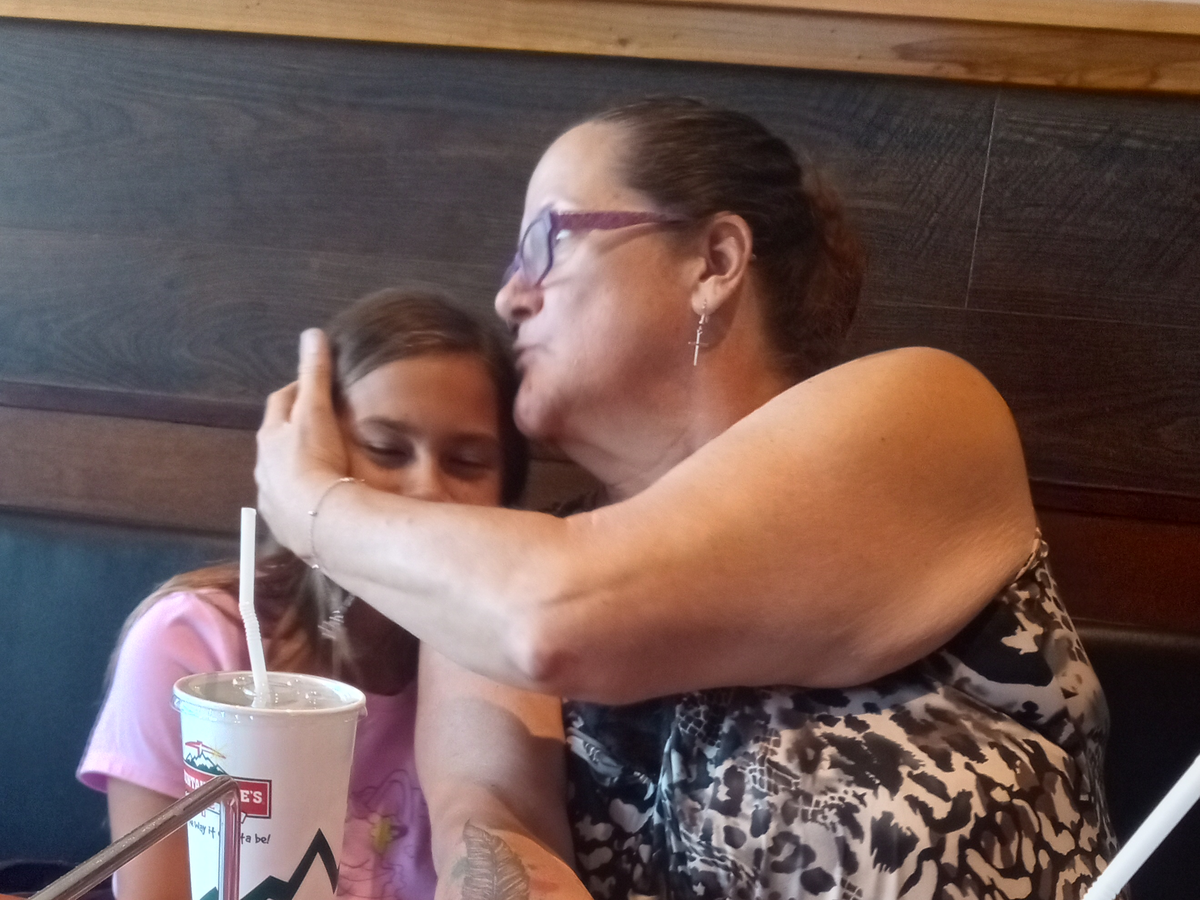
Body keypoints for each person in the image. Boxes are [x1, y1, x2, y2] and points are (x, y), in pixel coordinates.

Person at [255, 98, 1122, 900]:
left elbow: (555, 618)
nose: (509, 295)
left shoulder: (925, 412)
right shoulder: (490, 572)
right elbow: (492, 824)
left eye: (546, 241)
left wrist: (309, 502)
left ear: (714, 262)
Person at [78, 288, 529, 900]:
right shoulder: (193, 643)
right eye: (386, 450)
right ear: (309, 458)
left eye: (468, 462)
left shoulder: (504, 673)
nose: (427, 489)